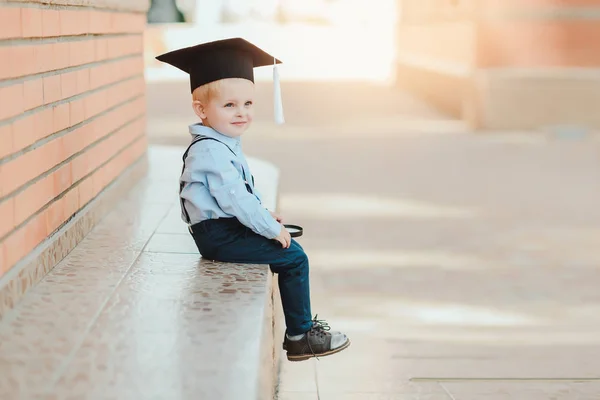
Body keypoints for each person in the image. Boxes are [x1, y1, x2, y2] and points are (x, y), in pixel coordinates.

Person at [156, 38, 350, 361]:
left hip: (222, 229)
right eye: (229, 105)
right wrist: (270, 230)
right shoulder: (212, 150)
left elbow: (243, 192)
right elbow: (235, 201)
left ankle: (301, 329)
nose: (242, 113)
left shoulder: (220, 141)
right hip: (218, 236)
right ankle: (300, 334)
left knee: (287, 246)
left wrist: (265, 215)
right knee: (294, 257)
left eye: (248, 104)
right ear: (201, 109)